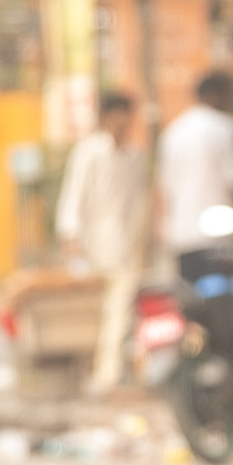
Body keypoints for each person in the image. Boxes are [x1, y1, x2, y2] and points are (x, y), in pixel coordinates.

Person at [55, 91, 150, 396]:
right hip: (92, 246)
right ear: (105, 117)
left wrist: (143, 244)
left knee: (119, 312)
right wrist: (71, 240)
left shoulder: (135, 157)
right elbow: (73, 197)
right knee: (98, 314)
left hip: (125, 249)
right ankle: (97, 373)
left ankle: (108, 377)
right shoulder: (89, 153)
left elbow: (140, 205)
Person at [156, 72, 233, 281]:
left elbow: (164, 188)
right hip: (220, 236)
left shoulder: (173, 132)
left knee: (190, 295)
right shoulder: (225, 127)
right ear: (217, 95)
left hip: (182, 234)